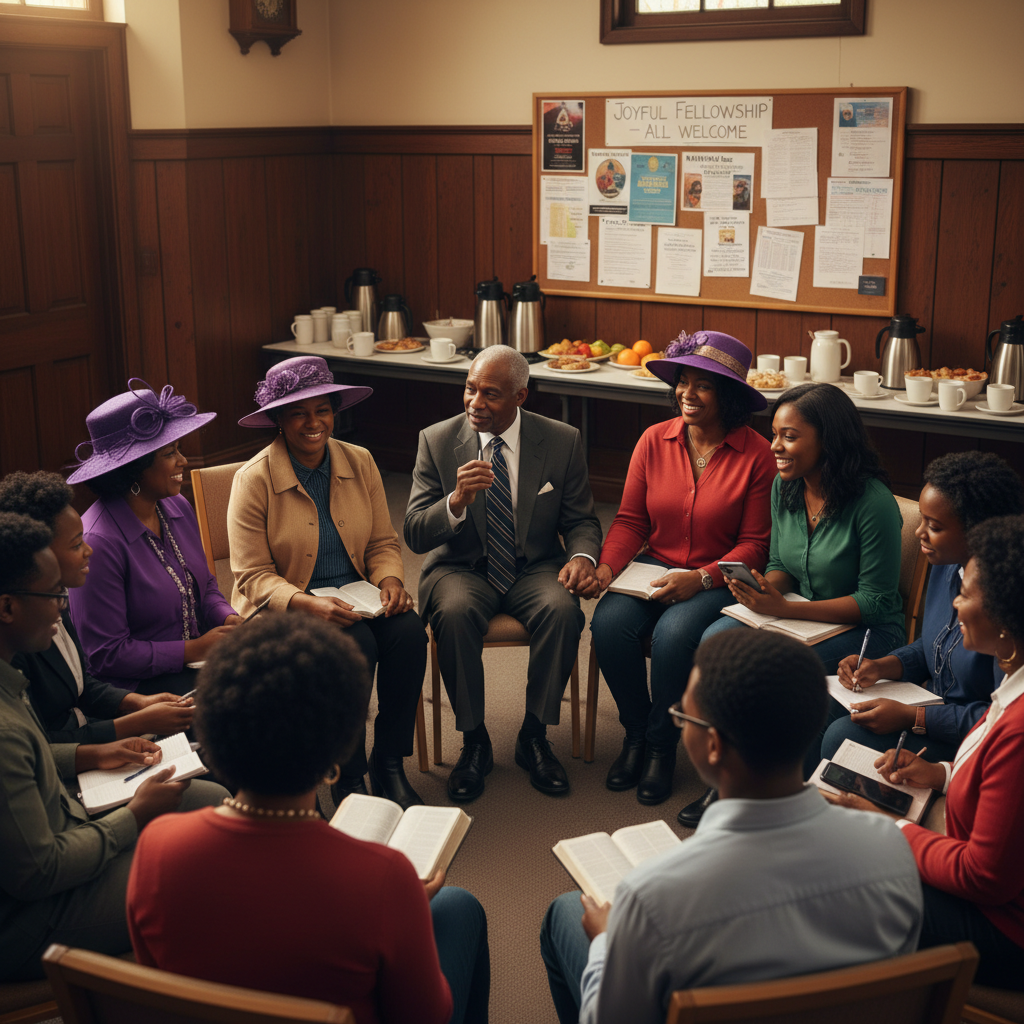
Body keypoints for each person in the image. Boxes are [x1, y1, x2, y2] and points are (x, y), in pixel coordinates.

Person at [539, 630, 922, 1024]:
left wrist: (605, 944)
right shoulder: (892, 851)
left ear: (714, 745)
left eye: (682, 715)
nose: (680, 723)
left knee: (566, 913)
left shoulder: (651, 899)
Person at [126, 612, 490, 1024]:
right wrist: (406, 914)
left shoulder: (156, 847)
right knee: (460, 908)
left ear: (212, 734)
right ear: (335, 755)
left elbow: (156, 990)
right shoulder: (385, 880)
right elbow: (428, 1015)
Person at [0, 511, 227, 982]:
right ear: (7, 608)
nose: (64, 607)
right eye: (53, 596)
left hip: (65, 823)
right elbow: (39, 872)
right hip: (27, 917)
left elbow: (33, 753)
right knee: (206, 877)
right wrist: (133, 817)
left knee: (213, 805)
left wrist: (95, 753)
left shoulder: (10, 679)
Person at [827, 514, 1024, 990]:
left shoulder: (1019, 730)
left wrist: (887, 825)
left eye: (966, 593)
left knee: (833, 881)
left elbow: (983, 879)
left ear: (1005, 618)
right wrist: (938, 774)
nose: (954, 605)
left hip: (1004, 930)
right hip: (990, 889)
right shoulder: (1014, 685)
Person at [404, 345, 602, 802]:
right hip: (460, 568)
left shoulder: (560, 440)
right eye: (470, 389)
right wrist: (454, 502)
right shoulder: (436, 440)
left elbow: (582, 521)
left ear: (521, 397)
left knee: (562, 611)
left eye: (490, 394)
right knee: (453, 614)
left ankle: (534, 735)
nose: (475, 402)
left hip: (533, 566)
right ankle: (475, 741)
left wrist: (581, 558)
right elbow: (414, 533)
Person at [229, 355, 426, 809]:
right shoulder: (253, 479)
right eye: (298, 412)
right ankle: (348, 775)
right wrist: (305, 603)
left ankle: (389, 762)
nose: (312, 422)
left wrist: (391, 580)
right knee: (356, 643)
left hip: (358, 595)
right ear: (278, 421)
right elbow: (251, 576)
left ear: (335, 413)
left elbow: (381, 541)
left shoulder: (360, 461)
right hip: (287, 609)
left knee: (409, 633)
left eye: (322, 410)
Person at [590, 331, 776, 808]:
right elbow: (631, 520)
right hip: (655, 564)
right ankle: (635, 733)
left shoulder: (757, 455)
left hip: (719, 577)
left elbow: (756, 544)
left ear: (729, 396)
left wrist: (702, 578)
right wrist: (608, 568)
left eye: (703, 386)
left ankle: (660, 746)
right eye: (683, 382)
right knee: (609, 625)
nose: (687, 394)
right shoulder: (654, 440)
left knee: (674, 636)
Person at [698, 381, 905, 804]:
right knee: (714, 642)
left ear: (828, 440)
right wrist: (761, 590)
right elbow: (781, 566)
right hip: (801, 614)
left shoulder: (874, 502)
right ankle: (729, 779)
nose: (774, 446)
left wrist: (788, 612)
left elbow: (877, 601)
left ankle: (781, 795)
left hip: (867, 631)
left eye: (789, 436)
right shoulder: (785, 486)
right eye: (774, 433)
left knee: (777, 671)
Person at [823, 452, 1023, 764]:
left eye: (934, 526)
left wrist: (913, 717)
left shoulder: (1005, 604)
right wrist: (882, 666)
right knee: (821, 704)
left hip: (969, 739)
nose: (919, 533)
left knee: (841, 735)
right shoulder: (946, 565)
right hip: (928, 705)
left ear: (978, 531)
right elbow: (935, 644)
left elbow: (1002, 717)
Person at [67, 381, 240, 696]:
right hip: (139, 690)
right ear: (134, 469)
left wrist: (227, 618)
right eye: (170, 453)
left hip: (196, 665)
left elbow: (206, 587)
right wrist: (193, 650)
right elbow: (106, 655)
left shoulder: (176, 505)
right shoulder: (98, 542)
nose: (183, 461)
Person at [1, 471, 195, 743]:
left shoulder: (60, 597)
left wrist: (140, 702)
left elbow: (83, 686)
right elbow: (43, 742)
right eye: (77, 543)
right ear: (41, 554)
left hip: (92, 730)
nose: (88, 549)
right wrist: (132, 726)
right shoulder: (19, 638)